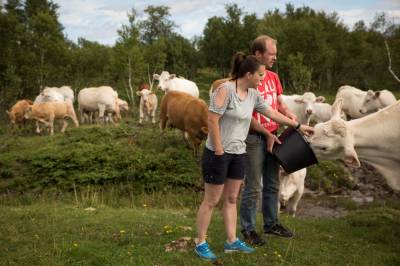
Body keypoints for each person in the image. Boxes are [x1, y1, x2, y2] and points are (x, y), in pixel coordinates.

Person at [194, 52, 313, 261]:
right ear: (248, 74)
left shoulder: (252, 95)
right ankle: (201, 242)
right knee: (211, 200)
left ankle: (231, 241)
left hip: (239, 153)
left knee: (231, 198)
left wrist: (298, 125)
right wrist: (220, 150)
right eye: (260, 75)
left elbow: (273, 114)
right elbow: (212, 120)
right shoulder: (225, 90)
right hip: (218, 153)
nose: (262, 79)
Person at [240, 35, 298, 246]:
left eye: (275, 53)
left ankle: (271, 224)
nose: (275, 57)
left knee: (272, 183)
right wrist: (267, 133)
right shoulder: (247, 78)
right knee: (253, 186)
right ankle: (248, 229)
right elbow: (247, 113)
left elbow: (279, 104)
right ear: (258, 54)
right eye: (271, 53)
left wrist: (290, 115)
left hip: (274, 135)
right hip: (254, 138)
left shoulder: (273, 77)